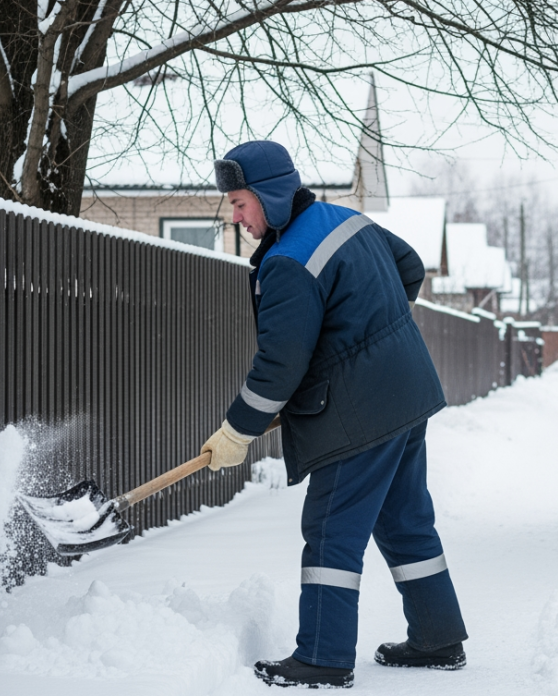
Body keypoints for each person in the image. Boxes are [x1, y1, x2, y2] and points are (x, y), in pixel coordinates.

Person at [200, 140, 469, 689]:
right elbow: (409, 268)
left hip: (361, 414)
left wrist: (236, 432)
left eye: (241, 203)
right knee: (405, 520)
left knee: (330, 530)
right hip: (407, 393)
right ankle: (438, 638)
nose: (236, 216)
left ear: (271, 197)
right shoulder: (346, 220)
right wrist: (374, 332)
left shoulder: (287, 263)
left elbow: (279, 367)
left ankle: (323, 657)